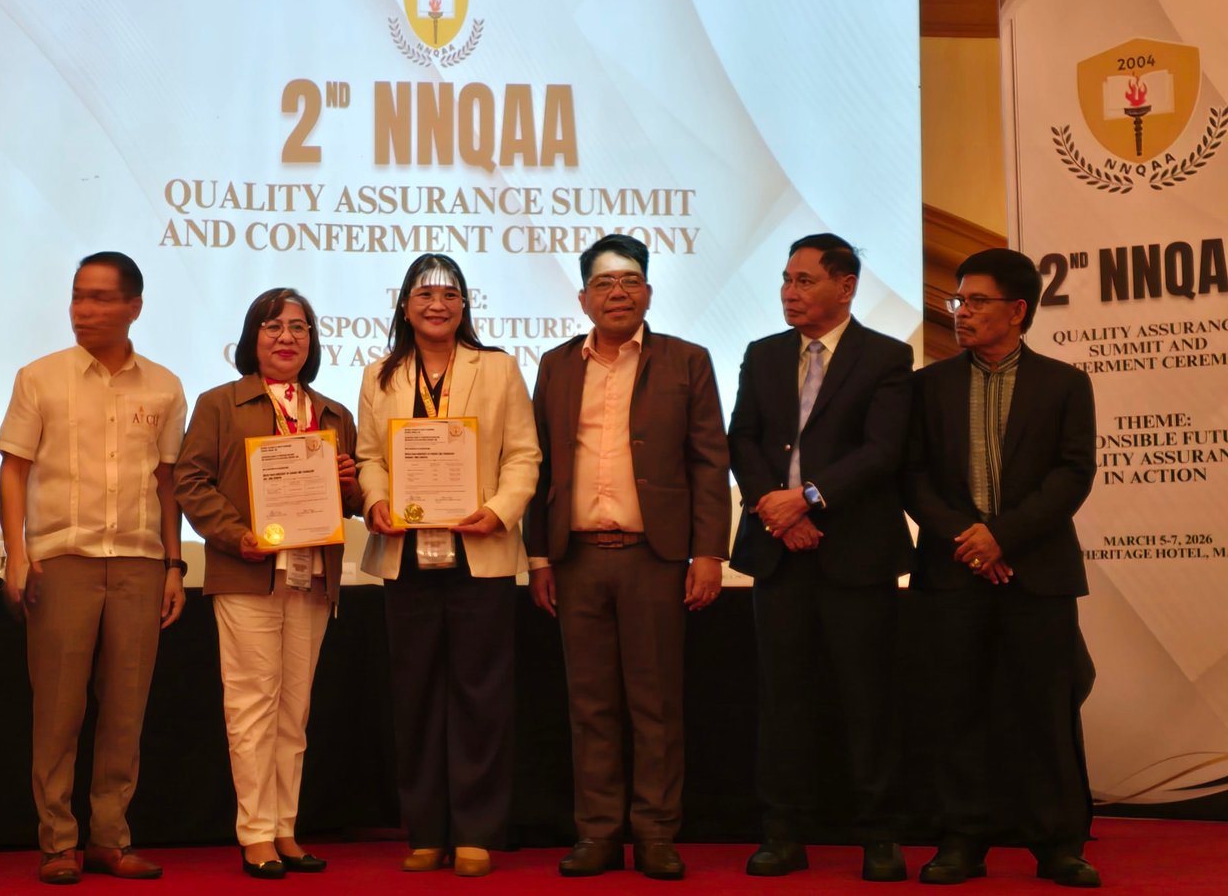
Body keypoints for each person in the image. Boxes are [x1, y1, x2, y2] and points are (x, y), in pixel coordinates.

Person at [525, 233, 730, 881]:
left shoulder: (687, 360)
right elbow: (539, 466)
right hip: (577, 558)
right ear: (584, 298)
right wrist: (538, 557)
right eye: (604, 283)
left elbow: (709, 462)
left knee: (656, 703)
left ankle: (656, 834)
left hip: (654, 558)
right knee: (590, 706)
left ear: (648, 292)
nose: (618, 293)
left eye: (630, 281)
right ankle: (597, 833)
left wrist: (708, 552)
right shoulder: (557, 365)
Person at [904, 248, 1100, 888]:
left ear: (1017, 311)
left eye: (976, 301)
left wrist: (1002, 538)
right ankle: (962, 840)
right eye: (957, 300)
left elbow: (1073, 473)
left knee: (1044, 710)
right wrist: (970, 540)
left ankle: (1057, 845)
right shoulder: (929, 385)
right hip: (953, 573)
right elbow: (914, 477)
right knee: (956, 710)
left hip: (1036, 573)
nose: (960, 312)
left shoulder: (1064, 383)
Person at [0, 252, 187, 885]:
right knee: (58, 709)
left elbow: (167, 483)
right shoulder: (39, 377)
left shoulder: (164, 386)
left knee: (126, 709)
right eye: (79, 296)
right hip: (61, 562)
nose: (84, 309)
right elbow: (14, 469)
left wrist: (174, 565)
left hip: (139, 562)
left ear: (134, 306)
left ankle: (110, 838)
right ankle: (58, 842)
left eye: (101, 298)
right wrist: (18, 554)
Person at [728, 233, 913, 882]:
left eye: (804, 280)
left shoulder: (887, 356)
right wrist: (777, 514)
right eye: (786, 279)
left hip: (854, 554)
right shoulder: (763, 353)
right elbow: (743, 439)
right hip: (780, 555)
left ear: (846, 286)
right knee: (783, 699)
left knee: (867, 699)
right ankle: (782, 832)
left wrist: (806, 500)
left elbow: (882, 450)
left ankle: (879, 835)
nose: (789, 291)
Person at [356, 253, 539, 877]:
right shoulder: (380, 374)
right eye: (424, 294)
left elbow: (523, 455)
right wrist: (375, 500)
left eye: (449, 294)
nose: (437, 305)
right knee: (415, 695)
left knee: (480, 695)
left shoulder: (499, 368)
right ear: (405, 306)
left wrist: (499, 511)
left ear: (464, 306)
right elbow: (368, 457)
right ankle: (427, 831)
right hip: (405, 557)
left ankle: (476, 831)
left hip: (479, 551)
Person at [175, 288, 362, 879]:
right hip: (247, 573)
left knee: (293, 711)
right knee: (252, 706)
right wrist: (237, 536)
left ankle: (285, 828)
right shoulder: (220, 404)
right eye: (273, 326)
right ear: (252, 337)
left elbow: (353, 503)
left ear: (312, 341)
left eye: (299, 327)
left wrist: (351, 483)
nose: (287, 337)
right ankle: (255, 833)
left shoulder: (333, 414)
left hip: (313, 575)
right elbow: (190, 482)